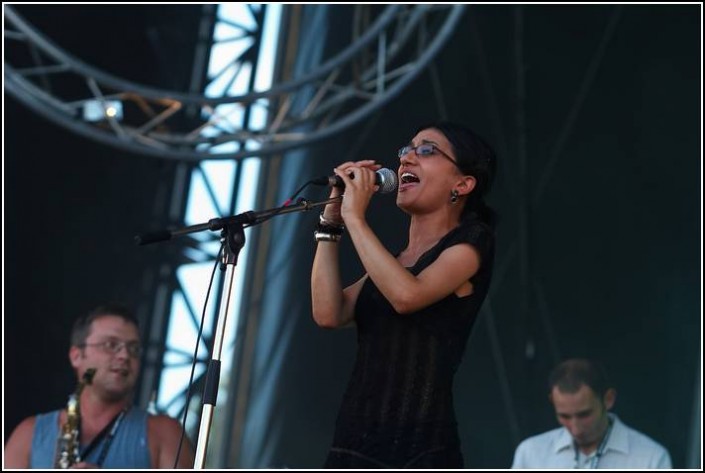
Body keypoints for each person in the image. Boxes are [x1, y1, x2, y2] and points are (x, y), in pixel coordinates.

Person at [310, 121, 497, 468]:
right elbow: (328, 312)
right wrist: (331, 223)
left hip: (421, 450)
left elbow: (407, 296)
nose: (407, 158)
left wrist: (355, 217)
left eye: (426, 150)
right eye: (406, 150)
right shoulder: (393, 263)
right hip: (354, 443)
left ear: (463, 183)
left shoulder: (472, 243)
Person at [4, 304, 195, 469]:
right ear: (76, 356)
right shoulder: (28, 434)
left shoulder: (165, 433)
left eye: (134, 349)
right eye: (111, 344)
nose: (124, 356)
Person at [511, 358, 672, 469]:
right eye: (564, 416)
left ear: (608, 399)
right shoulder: (530, 452)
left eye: (584, 415)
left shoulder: (651, 458)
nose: (575, 429)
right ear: (552, 401)